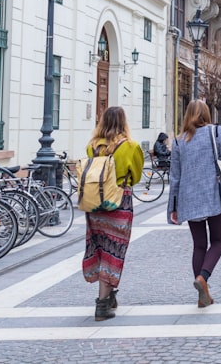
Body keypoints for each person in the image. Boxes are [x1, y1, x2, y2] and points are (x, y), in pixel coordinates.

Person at [169, 100, 221, 309]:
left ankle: (202, 293)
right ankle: (202, 278)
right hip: (213, 195)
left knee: (199, 245)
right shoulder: (216, 132)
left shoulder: (177, 141)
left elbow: (174, 178)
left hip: (189, 198)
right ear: (206, 114)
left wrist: (173, 208)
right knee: (218, 241)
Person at [82, 106, 145, 321]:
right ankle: (102, 303)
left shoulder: (92, 147)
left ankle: (109, 297)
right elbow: (135, 177)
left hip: (95, 206)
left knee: (101, 250)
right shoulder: (131, 146)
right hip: (119, 204)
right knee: (114, 251)